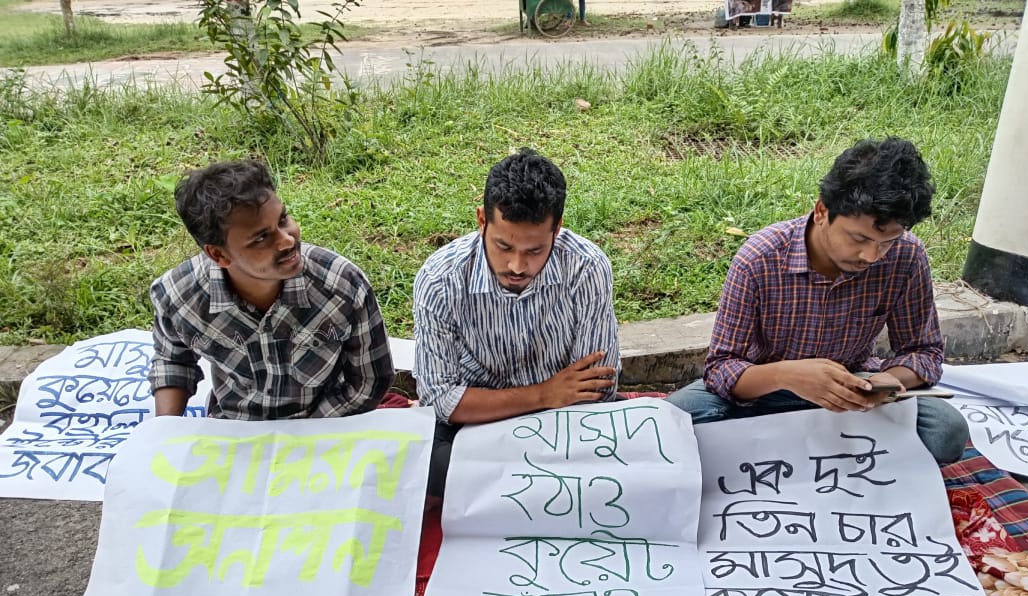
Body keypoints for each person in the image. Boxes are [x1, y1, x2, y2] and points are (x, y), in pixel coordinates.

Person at [667, 137, 969, 464]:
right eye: (859, 238)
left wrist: (890, 380)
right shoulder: (760, 258)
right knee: (675, 420)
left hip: (854, 394)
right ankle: (826, 450)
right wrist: (788, 376)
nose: (871, 256)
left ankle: (787, 451)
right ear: (822, 210)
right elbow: (722, 368)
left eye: (886, 242)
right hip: (763, 393)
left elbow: (924, 352)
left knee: (946, 430)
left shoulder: (907, 256)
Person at [413, 149, 621, 495]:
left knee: (634, 457)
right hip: (475, 429)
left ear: (558, 229)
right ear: (482, 220)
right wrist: (544, 393)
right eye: (503, 246)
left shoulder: (587, 268)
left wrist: (553, 405)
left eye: (535, 251)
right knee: (427, 465)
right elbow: (441, 401)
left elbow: (596, 390)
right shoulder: (441, 279)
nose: (517, 266)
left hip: (565, 425)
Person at [148, 159, 394, 420]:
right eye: (261, 238)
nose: (287, 240)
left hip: (326, 426)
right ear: (218, 255)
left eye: (283, 219)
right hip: (234, 430)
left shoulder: (342, 287)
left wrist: (299, 437)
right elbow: (173, 361)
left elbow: (369, 382)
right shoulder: (179, 298)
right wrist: (164, 431)